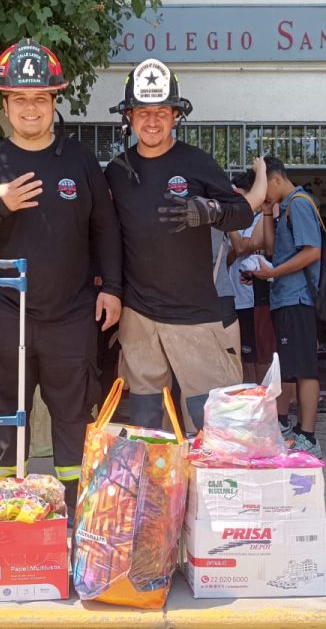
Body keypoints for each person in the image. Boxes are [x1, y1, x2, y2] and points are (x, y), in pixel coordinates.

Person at [0, 38, 122, 512]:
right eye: (19, 99)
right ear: (5, 105)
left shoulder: (79, 160)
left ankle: (76, 516)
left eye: (40, 98)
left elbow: (106, 228)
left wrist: (113, 289)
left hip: (71, 314)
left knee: (73, 417)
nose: (30, 108)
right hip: (4, 314)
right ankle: (5, 513)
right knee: (5, 420)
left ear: (53, 101)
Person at [104, 58, 257, 431]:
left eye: (161, 112)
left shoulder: (196, 162)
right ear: (129, 117)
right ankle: (154, 473)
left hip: (195, 313)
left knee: (209, 420)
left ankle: (206, 473)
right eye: (143, 112)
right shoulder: (117, 170)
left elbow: (242, 213)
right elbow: (107, 236)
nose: (152, 121)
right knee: (145, 417)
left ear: (175, 116)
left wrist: (211, 211)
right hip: (139, 314)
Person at [251, 157, 325, 456]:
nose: (261, 193)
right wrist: (267, 212)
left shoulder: (299, 203)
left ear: (276, 179)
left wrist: (274, 272)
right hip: (285, 298)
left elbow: (313, 252)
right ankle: (295, 429)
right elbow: (271, 249)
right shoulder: (285, 208)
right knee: (291, 368)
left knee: (305, 369)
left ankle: (309, 435)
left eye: (263, 185)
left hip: (298, 298)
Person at [229, 161, 275, 384]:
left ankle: (263, 399)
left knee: (261, 354)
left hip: (255, 297)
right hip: (235, 298)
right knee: (243, 355)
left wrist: (230, 226)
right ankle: (248, 397)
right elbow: (230, 254)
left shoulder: (261, 218)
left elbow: (242, 247)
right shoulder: (241, 221)